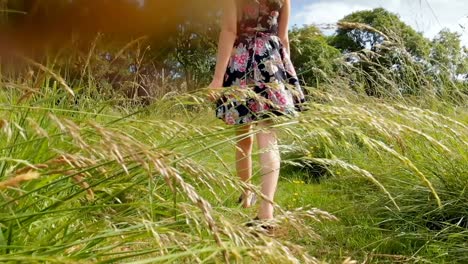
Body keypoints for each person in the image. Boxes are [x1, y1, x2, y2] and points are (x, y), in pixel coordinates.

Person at [208, 0, 306, 222]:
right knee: (267, 138)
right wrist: (288, 76)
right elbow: (283, 38)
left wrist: (217, 78)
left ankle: (247, 195)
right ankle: (265, 212)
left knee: (244, 138)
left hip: (243, 62)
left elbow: (229, 31)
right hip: (272, 62)